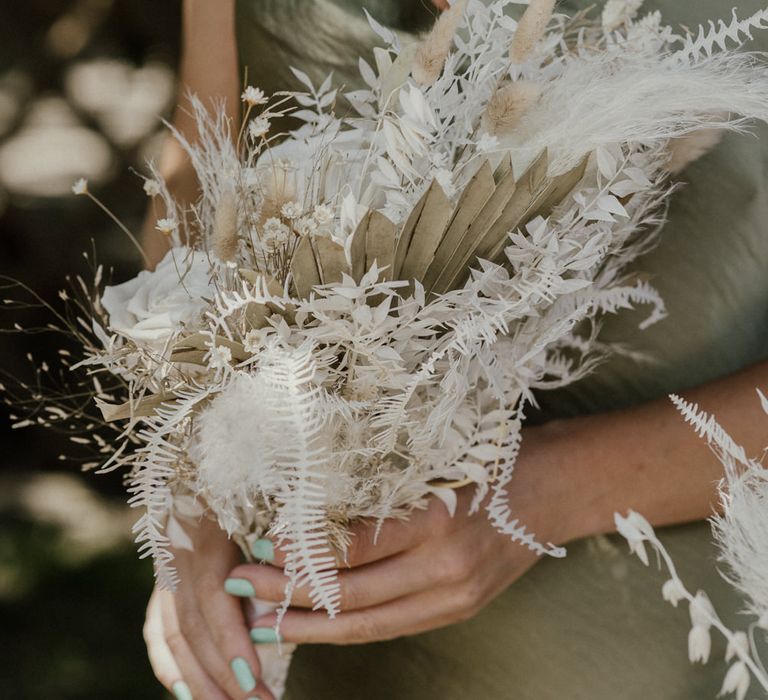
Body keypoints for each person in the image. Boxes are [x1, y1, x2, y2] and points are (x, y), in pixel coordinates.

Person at [142, 1, 768, 698]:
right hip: (299, 629)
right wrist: (194, 489)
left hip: (659, 638)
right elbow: (197, 183)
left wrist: (547, 493)